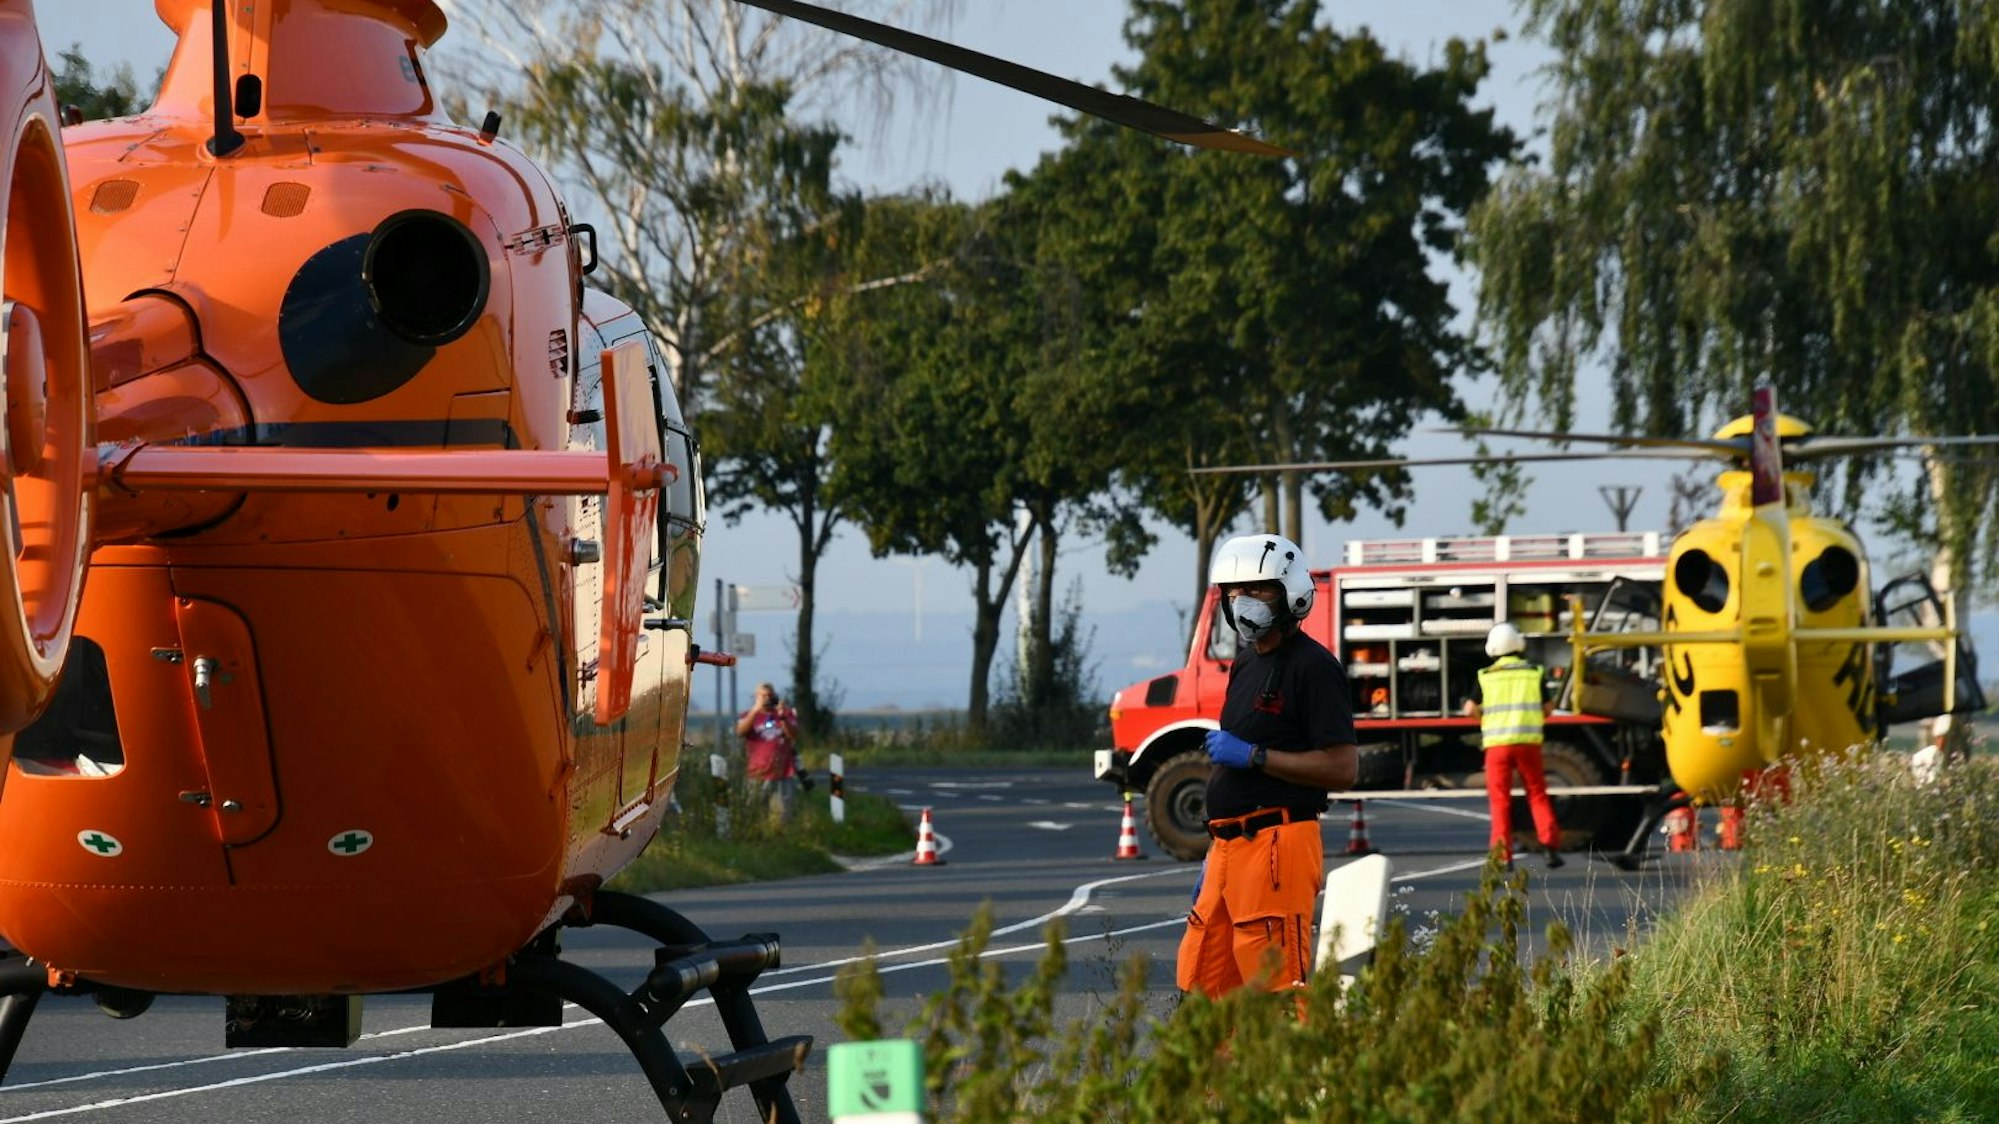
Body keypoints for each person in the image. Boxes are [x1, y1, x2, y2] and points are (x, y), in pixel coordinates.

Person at [1177, 533, 1359, 998]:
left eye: (1258, 589)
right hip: (1227, 847)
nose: (1243, 601)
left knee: (1274, 981)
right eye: (1233, 592)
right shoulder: (1245, 665)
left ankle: (1291, 1069)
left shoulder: (1313, 667)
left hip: (1277, 843)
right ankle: (1219, 1072)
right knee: (1204, 977)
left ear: (1289, 592)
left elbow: (1342, 768)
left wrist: (1255, 756)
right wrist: (1215, 847)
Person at [1462, 623, 1564, 869]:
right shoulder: (1534, 672)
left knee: (1500, 800)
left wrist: (1485, 719)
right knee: (1537, 793)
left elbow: (1469, 709)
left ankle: (1502, 857)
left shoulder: (1485, 676)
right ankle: (1549, 847)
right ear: (1518, 645)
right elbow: (1549, 708)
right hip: (1528, 743)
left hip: (1497, 746)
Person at [735, 682, 801, 823]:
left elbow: (794, 735)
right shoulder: (747, 715)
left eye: (769, 695)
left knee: (784, 815)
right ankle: (757, 839)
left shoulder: (785, 713)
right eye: (762, 695)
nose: (766, 699)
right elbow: (740, 731)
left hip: (783, 772)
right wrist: (755, 710)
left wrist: (782, 717)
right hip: (756, 773)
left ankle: (781, 838)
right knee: (754, 813)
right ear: (756, 697)